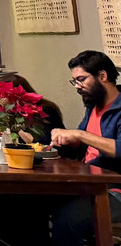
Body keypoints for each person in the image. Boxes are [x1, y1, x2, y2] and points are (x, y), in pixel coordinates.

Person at [47, 51, 121, 244]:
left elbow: (119, 149)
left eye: (81, 80)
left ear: (102, 76)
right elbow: (80, 140)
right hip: (88, 181)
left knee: (67, 220)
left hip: (113, 189)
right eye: (75, 81)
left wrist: (80, 135)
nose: (77, 87)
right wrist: (64, 138)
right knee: (27, 204)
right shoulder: (94, 106)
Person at [0, 73, 64, 144]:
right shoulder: (12, 112)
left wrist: (13, 124)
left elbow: (40, 143)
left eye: (1, 93)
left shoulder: (44, 110)